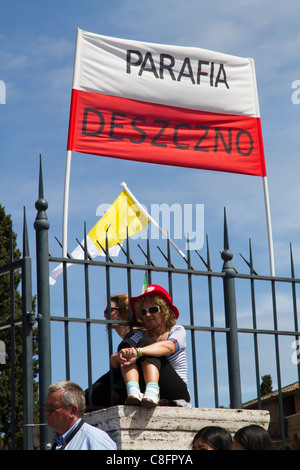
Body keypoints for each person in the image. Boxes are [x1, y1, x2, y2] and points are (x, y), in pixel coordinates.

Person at [113, 284, 190, 407]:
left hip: (175, 390)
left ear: (165, 310)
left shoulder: (177, 330)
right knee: (128, 344)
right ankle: (133, 391)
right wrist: (120, 356)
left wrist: (138, 352)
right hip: (145, 389)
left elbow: (168, 347)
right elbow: (115, 359)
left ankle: (152, 390)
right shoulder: (139, 335)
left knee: (147, 345)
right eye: (143, 312)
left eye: (153, 310)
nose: (148, 315)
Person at [85, 294, 144, 409]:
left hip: (136, 392)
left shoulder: (134, 337)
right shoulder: (132, 336)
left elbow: (114, 374)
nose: (105, 315)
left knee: (97, 392)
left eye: (109, 310)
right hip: (129, 391)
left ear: (126, 312)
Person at [45, 380, 117, 450]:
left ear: (73, 411)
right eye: (47, 407)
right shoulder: (58, 442)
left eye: (52, 407)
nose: (46, 412)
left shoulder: (95, 439)